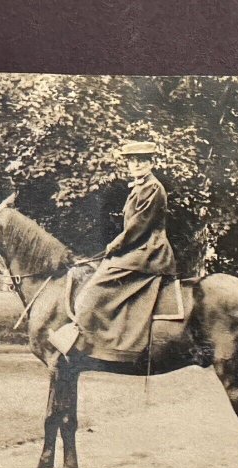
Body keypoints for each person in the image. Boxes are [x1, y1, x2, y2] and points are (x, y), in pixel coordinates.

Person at [73, 141, 176, 362]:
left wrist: (115, 245)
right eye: (132, 161)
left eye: (143, 160)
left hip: (149, 251)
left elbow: (138, 226)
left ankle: (102, 343)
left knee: (96, 286)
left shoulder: (153, 188)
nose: (137, 164)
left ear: (152, 163)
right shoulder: (140, 186)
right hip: (138, 247)